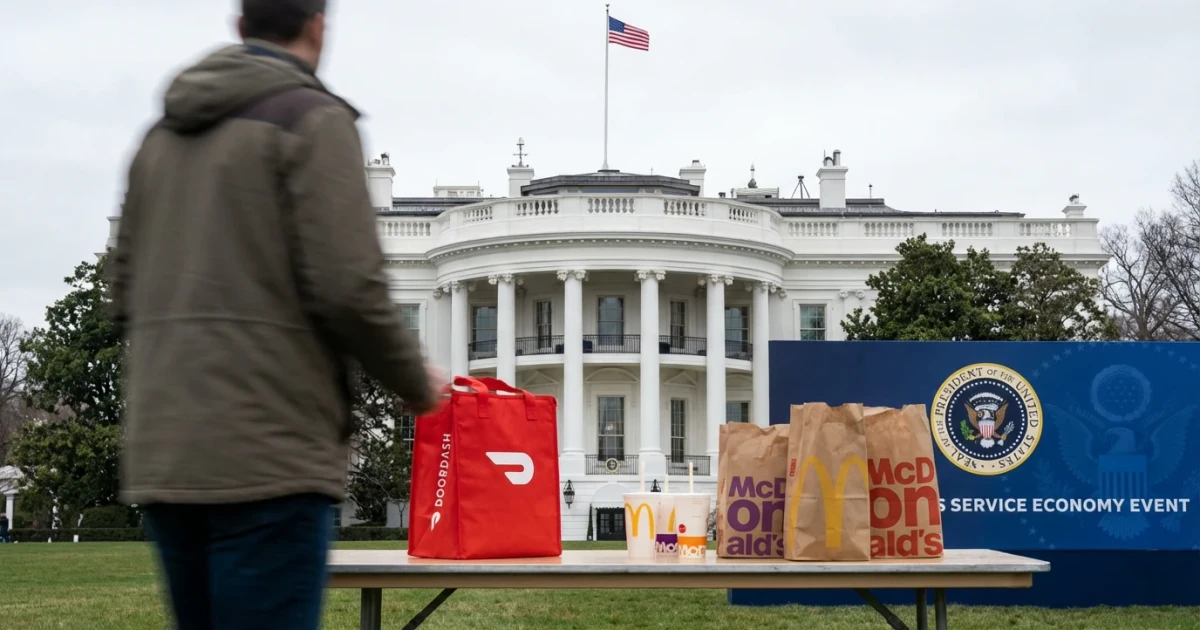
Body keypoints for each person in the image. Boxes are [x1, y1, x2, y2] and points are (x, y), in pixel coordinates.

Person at [108, 1, 444, 628]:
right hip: (271, 452)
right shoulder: (311, 119)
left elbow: (121, 291)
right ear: (318, 24)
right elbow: (349, 285)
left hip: (167, 451)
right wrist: (415, 382)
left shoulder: (159, 138)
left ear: (240, 27)